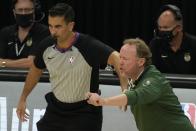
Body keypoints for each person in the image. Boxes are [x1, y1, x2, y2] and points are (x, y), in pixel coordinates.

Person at [16, 3, 127, 131]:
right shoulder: (45, 46)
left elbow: (116, 58)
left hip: (85, 111)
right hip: (56, 110)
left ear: (71, 25)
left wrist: (124, 88)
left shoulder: (88, 45)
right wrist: (23, 98)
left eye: (58, 26)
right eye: (50, 26)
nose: (53, 31)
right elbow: (35, 70)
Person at [86, 38, 196, 131]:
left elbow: (137, 96)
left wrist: (102, 101)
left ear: (141, 62)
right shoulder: (135, 78)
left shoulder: (153, 80)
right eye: (120, 57)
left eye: (125, 59)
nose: (121, 62)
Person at [0, 0, 50, 68]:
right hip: (5, 77)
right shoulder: (5, 32)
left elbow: (32, 62)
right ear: (14, 13)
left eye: (27, 10)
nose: (23, 13)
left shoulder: (44, 32)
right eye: (20, 10)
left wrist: (4, 63)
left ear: (34, 11)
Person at [149, 4, 196, 74]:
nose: (161, 31)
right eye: (159, 27)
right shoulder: (155, 44)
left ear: (179, 28)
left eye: (165, 28)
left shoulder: (194, 44)